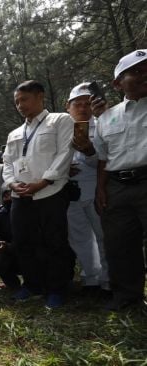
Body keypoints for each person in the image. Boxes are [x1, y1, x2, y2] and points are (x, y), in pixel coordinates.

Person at [2, 80, 75, 309]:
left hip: (50, 192)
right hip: (20, 196)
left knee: (55, 242)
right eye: (16, 102)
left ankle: (56, 289)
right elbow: (7, 162)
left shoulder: (60, 120)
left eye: (24, 99)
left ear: (40, 96)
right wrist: (12, 184)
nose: (20, 105)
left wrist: (43, 181)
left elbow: (65, 153)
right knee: (24, 242)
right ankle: (32, 285)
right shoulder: (15, 133)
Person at [92, 49, 147, 310]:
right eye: (135, 72)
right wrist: (101, 189)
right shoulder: (107, 117)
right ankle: (127, 296)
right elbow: (103, 157)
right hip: (117, 187)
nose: (143, 75)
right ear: (117, 83)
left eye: (146, 69)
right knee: (120, 244)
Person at [65, 82, 110, 298]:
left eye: (86, 103)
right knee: (79, 236)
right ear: (68, 106)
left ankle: (108, 281)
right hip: (69, 190)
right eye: (77, 104)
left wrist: (89, 151)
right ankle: (91, 277)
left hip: (95, 187)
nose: (82, 108)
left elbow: (107, 161)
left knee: (103, 235)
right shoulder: (59, 127)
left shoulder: (103, 125)